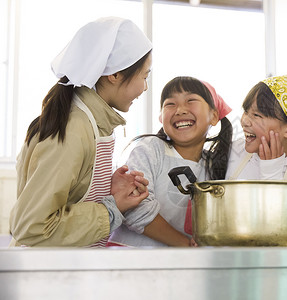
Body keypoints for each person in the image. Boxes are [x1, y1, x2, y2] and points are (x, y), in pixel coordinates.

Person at [9, 17, 153, 247]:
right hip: (45, 276)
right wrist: (111, 209)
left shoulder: (92, 122)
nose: (145, 87)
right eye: (144, 76)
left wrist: (107, 188)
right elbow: (32, 226)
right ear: (114, 74)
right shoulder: (74, 128)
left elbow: (71, 194)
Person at [107, 76, 233, 247]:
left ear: (214, 116)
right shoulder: (151, 149)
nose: (180, 110)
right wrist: (185, 245)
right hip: (129, 258)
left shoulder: (214, 166)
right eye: (170, 104)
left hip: (177, 264)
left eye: (191, 100)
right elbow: (134, 209)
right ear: (161, 117)